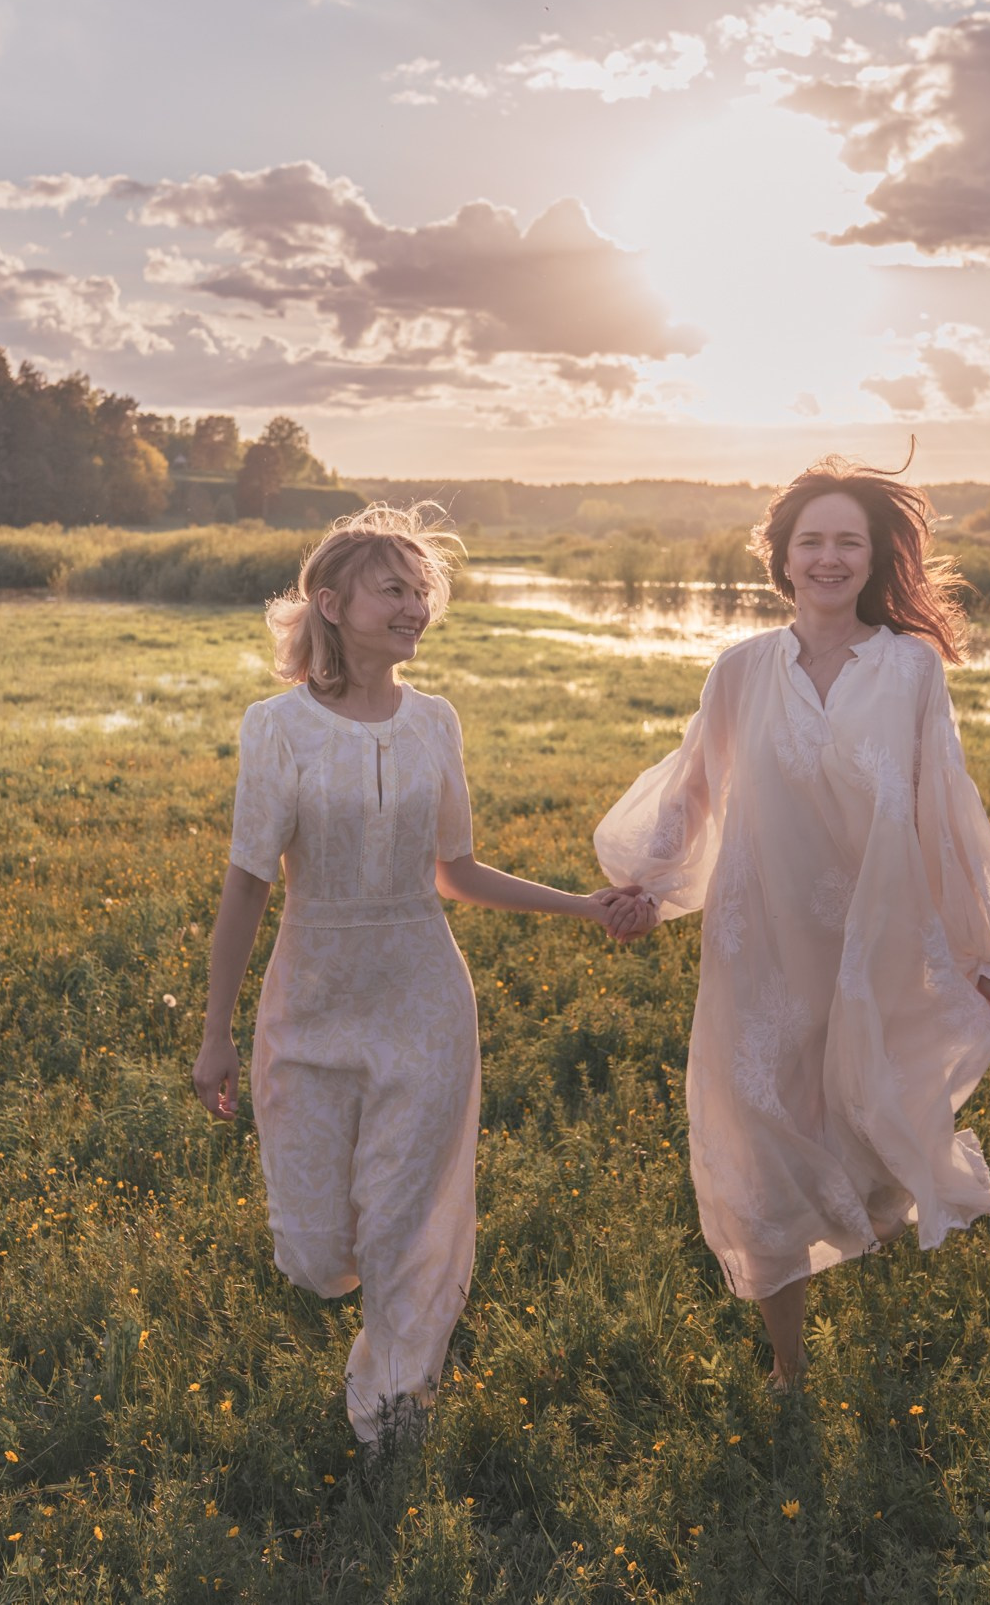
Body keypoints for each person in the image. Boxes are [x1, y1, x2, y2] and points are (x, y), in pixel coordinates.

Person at [192, 502, 652, 1445]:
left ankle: (392, 1410)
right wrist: (215, 1031)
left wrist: (584, 904)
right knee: (315, 1247)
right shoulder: (276, 727)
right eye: (393, 590)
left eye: (421, 591)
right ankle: (380, 1339)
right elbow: (246, 884)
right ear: (332, 603)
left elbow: (457, 871)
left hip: (424, 998)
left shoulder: (437, 721)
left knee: (406, 1219)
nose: (415, 607)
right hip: (311, 999)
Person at [595, 459, 990, 1392]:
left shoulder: (909, 668)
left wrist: (983, 953)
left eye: (848, 543)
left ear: (873, 558)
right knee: (762, 1140)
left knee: (868, 1130)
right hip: (759, 945)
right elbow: (695, 789)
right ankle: (789, 1368)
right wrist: (648, 886)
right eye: (812, 542)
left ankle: (868, 1216)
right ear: (783, 558)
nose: (830, 558)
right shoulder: (742, 669)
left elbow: (943, 809)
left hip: (874, 944)